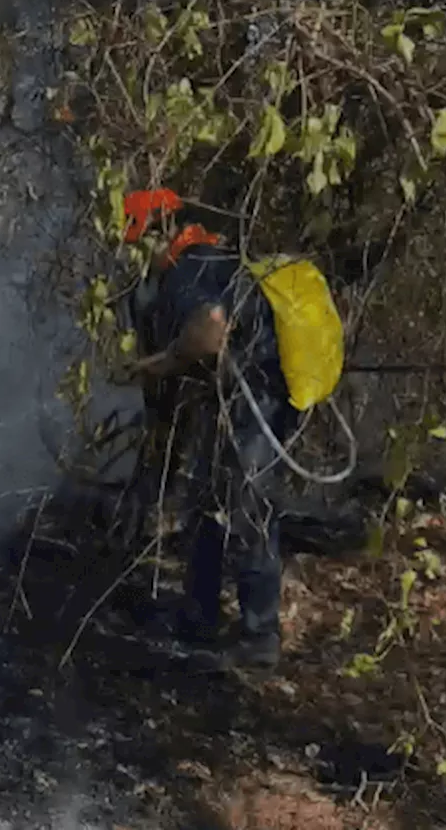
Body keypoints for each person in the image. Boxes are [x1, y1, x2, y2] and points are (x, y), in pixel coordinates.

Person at [126, 189, 298, 670]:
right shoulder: (216, 254)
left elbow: (212, 325)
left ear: (159, 234)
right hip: (234, 401)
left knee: (250, 510)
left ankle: (259, 636)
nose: (142, 259)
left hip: (255, 401)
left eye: (139, 244)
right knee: (206, 502)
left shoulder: (190, 267)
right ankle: (197, 614)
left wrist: (164, 362)